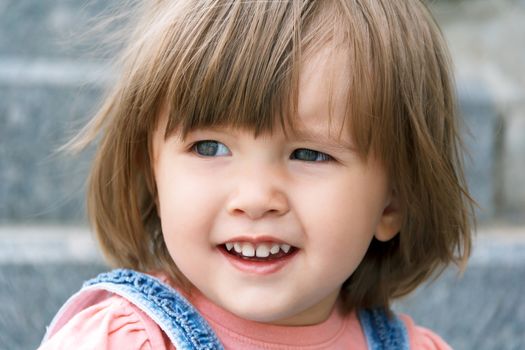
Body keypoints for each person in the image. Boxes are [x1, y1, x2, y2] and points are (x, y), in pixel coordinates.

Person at [39, 0, 474, 349]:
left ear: (393, 201)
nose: (255, 196)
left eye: (309, 154)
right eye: (210, 147)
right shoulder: (118, 340)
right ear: (151, 173)